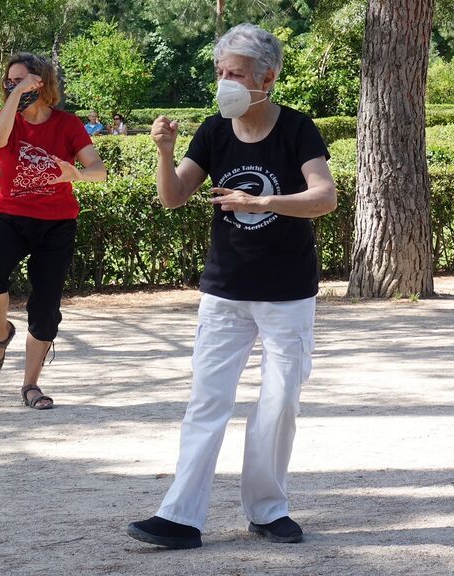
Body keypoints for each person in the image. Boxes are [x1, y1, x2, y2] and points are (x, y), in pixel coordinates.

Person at [127, 23, 337, 549]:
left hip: (287, 293)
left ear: (267, 77)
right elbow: (174, 197)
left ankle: (268, 510)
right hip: (224, 290)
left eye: (236, 73)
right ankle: (180, 518)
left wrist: (261, 202)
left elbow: (324, 197)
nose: (225, 82)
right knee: (206, 400)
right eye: (221, 72)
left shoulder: (296, 129)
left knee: (279, 400)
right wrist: (163, 151)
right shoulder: (213, 132)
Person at [0, 52, 106, 410]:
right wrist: (15, 97)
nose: (10, 85)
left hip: (56, 223)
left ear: (42, 83)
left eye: (20, 80)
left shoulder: (67, 124)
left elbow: (99, 169)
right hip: (10, 215)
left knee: (46, 307)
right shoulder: (6, 119)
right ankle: (1, 335)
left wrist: (77, 174)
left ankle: (30, 385)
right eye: (8, 81)